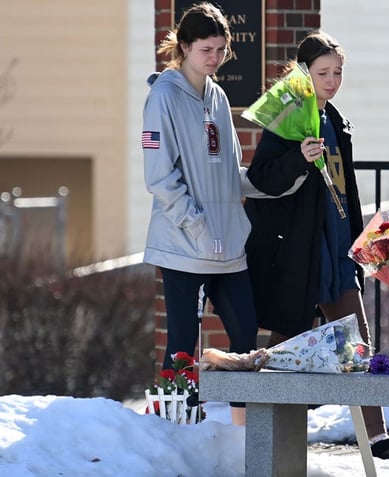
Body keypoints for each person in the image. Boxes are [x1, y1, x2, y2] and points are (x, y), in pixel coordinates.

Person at [243, 31, 389, 466]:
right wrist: (298, 158)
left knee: (356, 342)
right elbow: (262, 178)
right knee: (284, 344)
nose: (332, 80)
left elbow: (346, 189)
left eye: (338, 71)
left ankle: (377, 437)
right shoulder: (289, 117)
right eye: (323, 72)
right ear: (303, 73)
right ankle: (260, 432)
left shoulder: (337, 121)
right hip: (300, 251)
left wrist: (360, 246)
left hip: (337, 247)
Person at [142, 2, 268, 427]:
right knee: (181, 343)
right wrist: (196, 224)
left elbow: (229, 171)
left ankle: (241, 433)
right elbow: (160, 178)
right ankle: (173, 430)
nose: (214, 58)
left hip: (228, 245)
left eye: (220, 49)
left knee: (245, 335)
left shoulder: (217, 94)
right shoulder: (163, 96)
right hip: (185, 244)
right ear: (184, 47)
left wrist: (279, 181)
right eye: (205, 50)